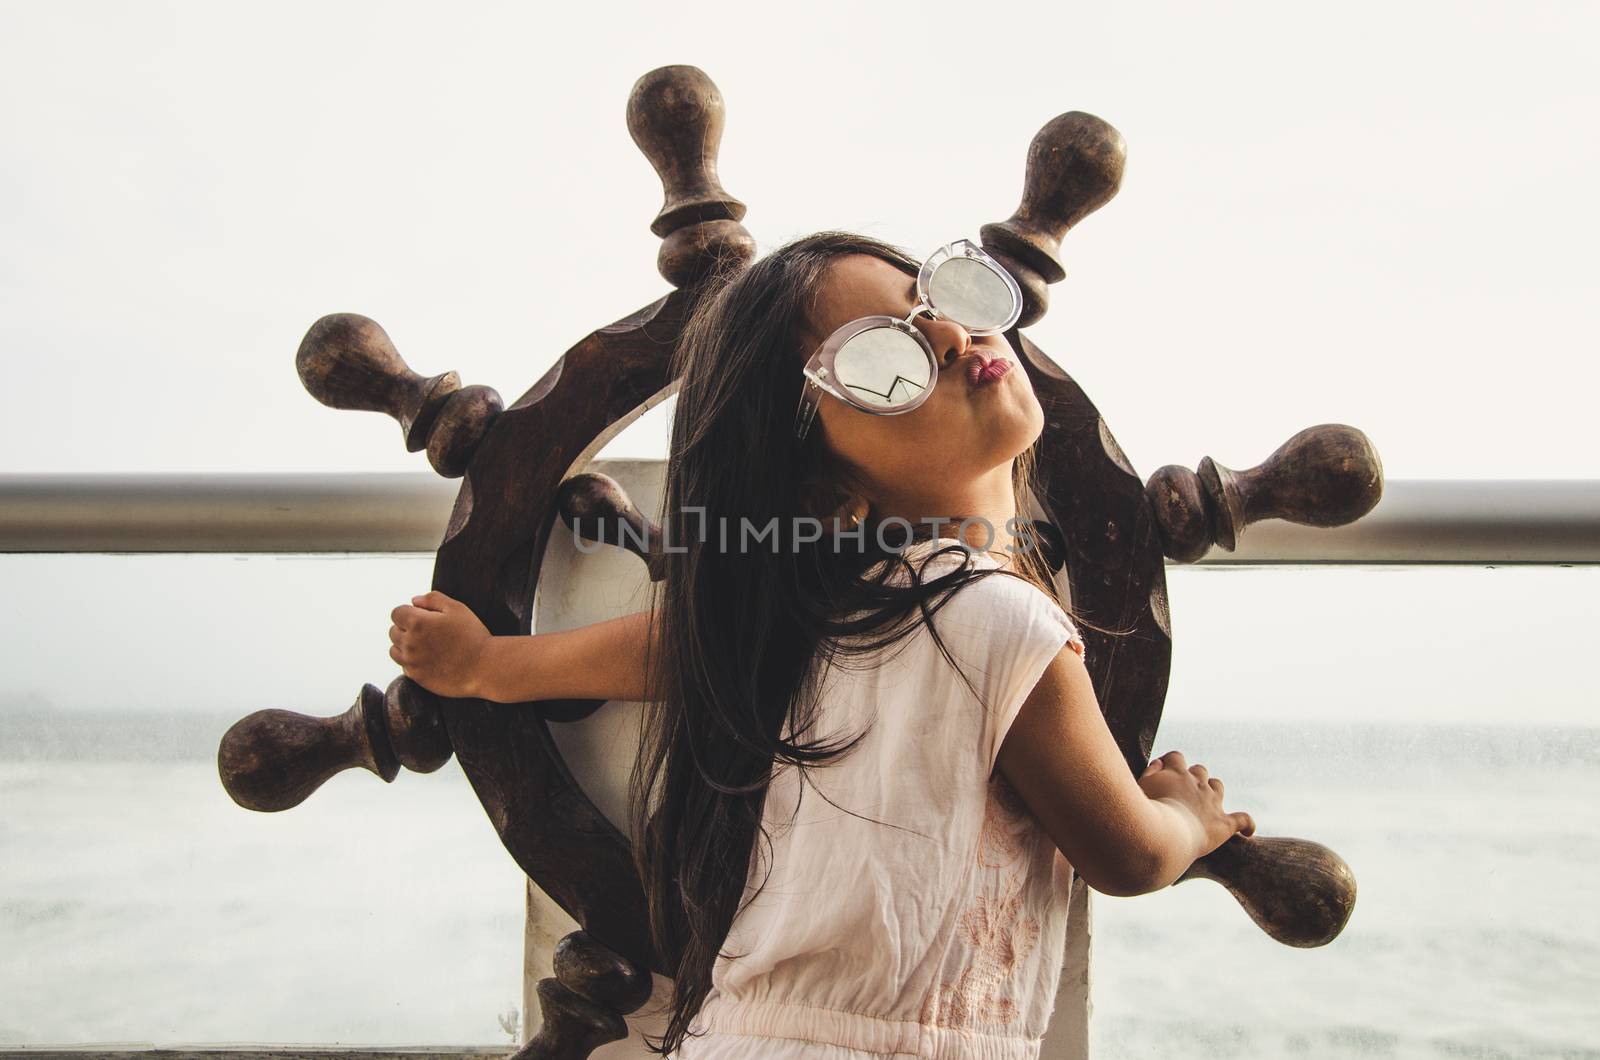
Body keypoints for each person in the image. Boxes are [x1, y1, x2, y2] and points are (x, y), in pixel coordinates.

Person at [386, 230, 1256, 1059]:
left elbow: (678, 647)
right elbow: (1128, 855)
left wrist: (491, 667)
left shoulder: (813, 619)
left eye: (938, 296)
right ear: (818, 479)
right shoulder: (1009, 627)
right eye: (882, 357)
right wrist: (1190, 816)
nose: (950, 336)